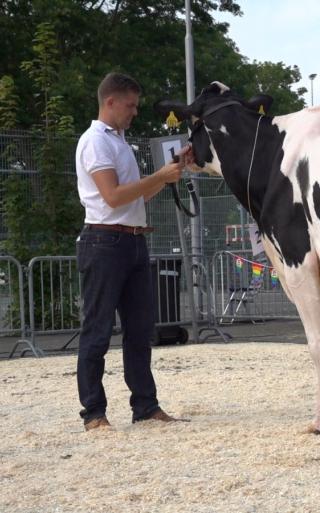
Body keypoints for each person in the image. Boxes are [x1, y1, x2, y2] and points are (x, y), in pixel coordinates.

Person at [75, 72, 193, 430]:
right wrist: (159, 176)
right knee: (97, 330)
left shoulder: (119, 142)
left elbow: (136, 195)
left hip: (130, 240)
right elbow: (112, 197)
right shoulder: (96, 141)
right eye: (131, 105)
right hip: (105, 242)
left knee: (140, 331)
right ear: (110, 102)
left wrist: (171, 172)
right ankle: (94, 412)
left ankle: (145, 405)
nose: (135, 112)